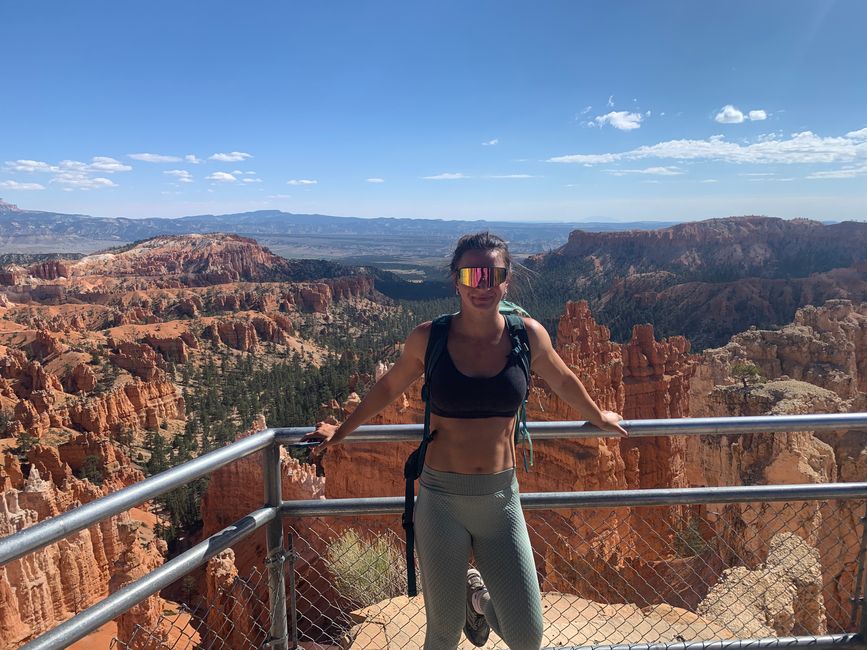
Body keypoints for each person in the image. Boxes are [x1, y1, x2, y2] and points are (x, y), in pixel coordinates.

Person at [303, 231, 628, 650]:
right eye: (472, 275)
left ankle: (478, 602)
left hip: (501, 500)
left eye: (493, 275)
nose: (483, 285)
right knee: (442, 633)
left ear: (507, 280)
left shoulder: (526, 335)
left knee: (527, 637)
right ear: (456, 280)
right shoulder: (429, 337)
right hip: (441, 499)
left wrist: (596, 415)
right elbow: (387, 389)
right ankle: (466, 608)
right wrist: (341, 432)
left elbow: (562, 377)